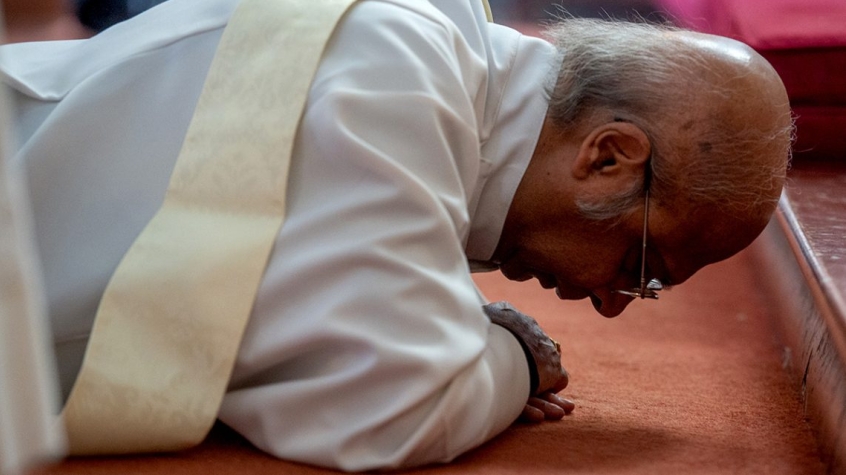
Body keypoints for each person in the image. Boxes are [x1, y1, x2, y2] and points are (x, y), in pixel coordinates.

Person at [0, 0, 792, 471]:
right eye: (643, 265)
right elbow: (395, 406)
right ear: (609, 156)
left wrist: (459, 326)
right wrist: (517, 358)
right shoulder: (400, 79)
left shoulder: (435, 47)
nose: (613, 304)